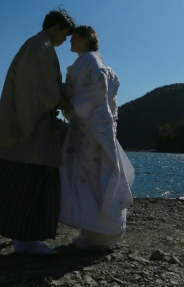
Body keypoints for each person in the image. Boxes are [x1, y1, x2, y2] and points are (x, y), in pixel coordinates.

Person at [0, 8, 75, 255]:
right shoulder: (39, 46)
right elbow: (42, 92)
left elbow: (43, 88)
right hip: (29, 130)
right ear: (55, 27)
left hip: (25, 126)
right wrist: (70, 98)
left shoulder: (39, 45)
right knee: (35, 178)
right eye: (64, 35)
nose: (65, 41)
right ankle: (26, 240)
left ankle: (22, 236)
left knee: (18, 180)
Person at [59, 25, 135, 250]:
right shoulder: (88, 61)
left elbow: (98, 87)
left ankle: (100, 234)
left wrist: (71, 103)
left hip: (91, 131)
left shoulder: (92, 61)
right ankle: (94, 232)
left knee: (93, 177)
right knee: (92, 177)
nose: (71, 42)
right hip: (89, 127)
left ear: (84, 39)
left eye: (74, 38)